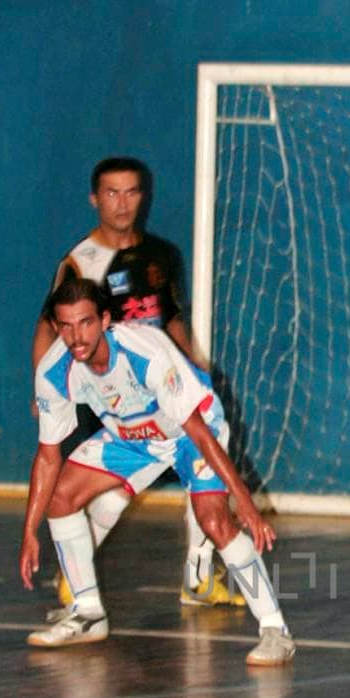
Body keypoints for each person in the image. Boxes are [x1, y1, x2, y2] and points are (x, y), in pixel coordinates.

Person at [21, 277, 295, 666]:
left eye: (84, 323)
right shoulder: (54, 372)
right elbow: (49, 455)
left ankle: (275, 629)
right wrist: (30, 529)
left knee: (214, 522)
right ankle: (87, 614)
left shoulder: (143, 353)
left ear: (104, 319)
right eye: (65, 326)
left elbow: (199, 431)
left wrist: (245, 502)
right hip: (131, 435)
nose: (76, 336)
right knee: (62, 496)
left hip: (191, 429)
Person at [32, 157, 241, 615]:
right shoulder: (80, 262)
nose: (122, 203)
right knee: (110, 485)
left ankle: (199, 575)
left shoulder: (164, 255)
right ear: (94, 198)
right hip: (103, 388)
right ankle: (75, 580)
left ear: (143, 196)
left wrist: (194, 366)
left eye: (131, 192)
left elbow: (172, 318)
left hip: (160, 386)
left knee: (201, 466)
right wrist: (40, 389)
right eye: (112, 192)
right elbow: (48, 328)